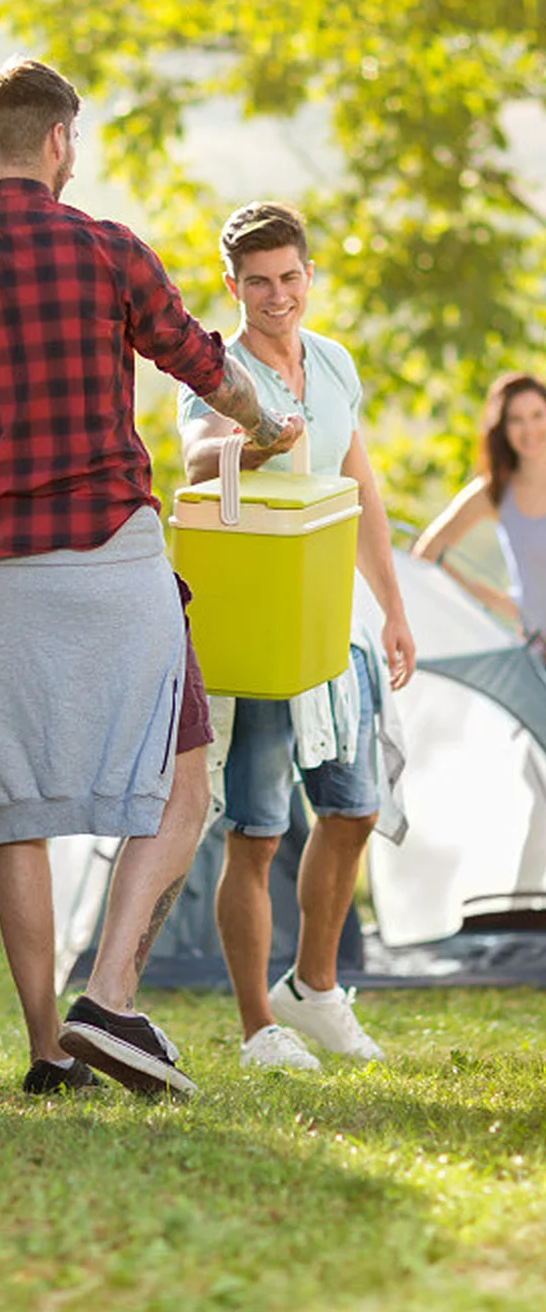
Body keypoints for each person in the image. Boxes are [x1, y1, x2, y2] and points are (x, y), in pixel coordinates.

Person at [0, 59, 301, 1100]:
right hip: (116, 554)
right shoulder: (108, 249)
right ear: (59, 139)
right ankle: (107, 994)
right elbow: (201, 362)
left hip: (6, 569)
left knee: (17, 813)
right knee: (183, 779)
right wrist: (270, 422)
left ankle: (48, 1053)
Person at [177, 201, 416, 1073]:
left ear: (308, 275)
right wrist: (258, 441)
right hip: (264, 628)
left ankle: (313, 991)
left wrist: (392, 606)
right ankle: (257, 1029)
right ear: (232, 285)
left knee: (354, 808)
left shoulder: (334, 362)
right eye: (258, 282)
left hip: (335, 623)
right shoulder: (215, 368)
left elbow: (361, 486)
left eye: (288, 278)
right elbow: (198, 457)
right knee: (257, 830)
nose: (276, 296)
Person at [412, 372, 546, 643]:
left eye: (537, 415)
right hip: (536, 651)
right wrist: (483, 595)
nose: (529, 429)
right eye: (516, 419)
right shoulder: (493, 492)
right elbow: (425, 553)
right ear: (502, 428)